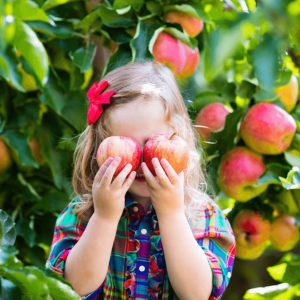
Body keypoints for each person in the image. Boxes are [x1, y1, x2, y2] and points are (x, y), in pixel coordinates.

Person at [45, 61, 236, 300]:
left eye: (153, 142)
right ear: (98, 149)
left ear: (180, 140)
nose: (142, 161)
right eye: (128, 145)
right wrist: (104, 217)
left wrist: (171, 215)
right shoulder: (84, 213)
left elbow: (197, 295)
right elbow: (73, 289)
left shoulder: (202, 215)